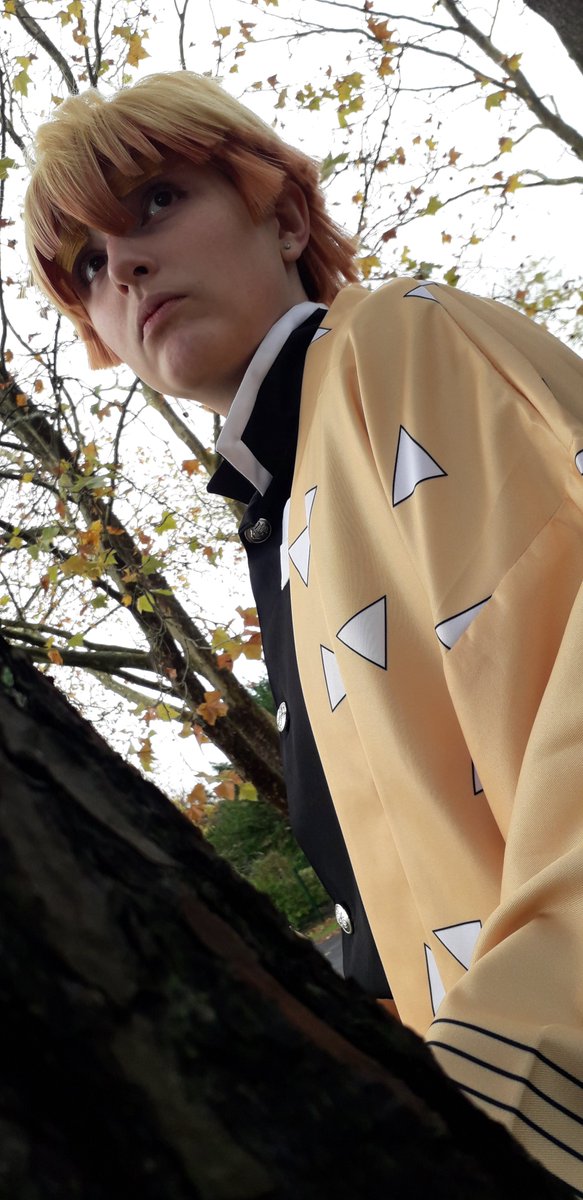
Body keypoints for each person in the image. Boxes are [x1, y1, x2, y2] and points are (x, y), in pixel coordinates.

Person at [24, 71, 583, 1194]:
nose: (121, 266)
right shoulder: (282, 514)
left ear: (282, 217)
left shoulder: (401, 340)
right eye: (84, 265)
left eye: (155, 202)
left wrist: (521, 1073)